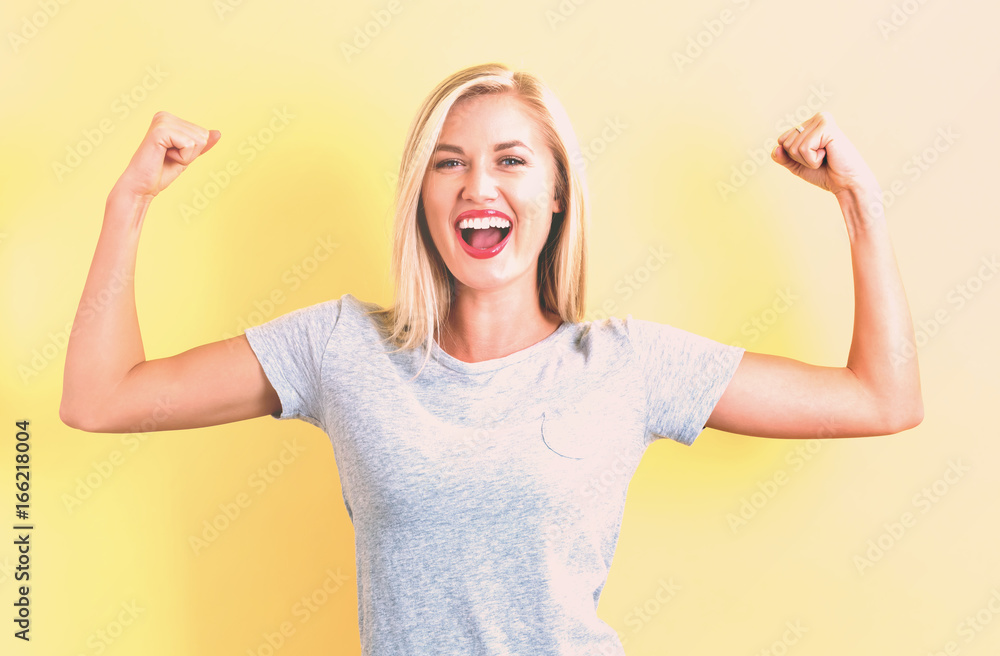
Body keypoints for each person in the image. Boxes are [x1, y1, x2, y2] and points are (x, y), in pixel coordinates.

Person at [60, 62, 923, 654]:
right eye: (450, 165)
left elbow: (881, 399)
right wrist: (130, 201)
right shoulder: (338, 347)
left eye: (511, 160)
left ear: (555, 195)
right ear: (423, 197)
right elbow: (101, 397)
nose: (479, 187)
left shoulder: (625, 365)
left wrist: (860, 202)